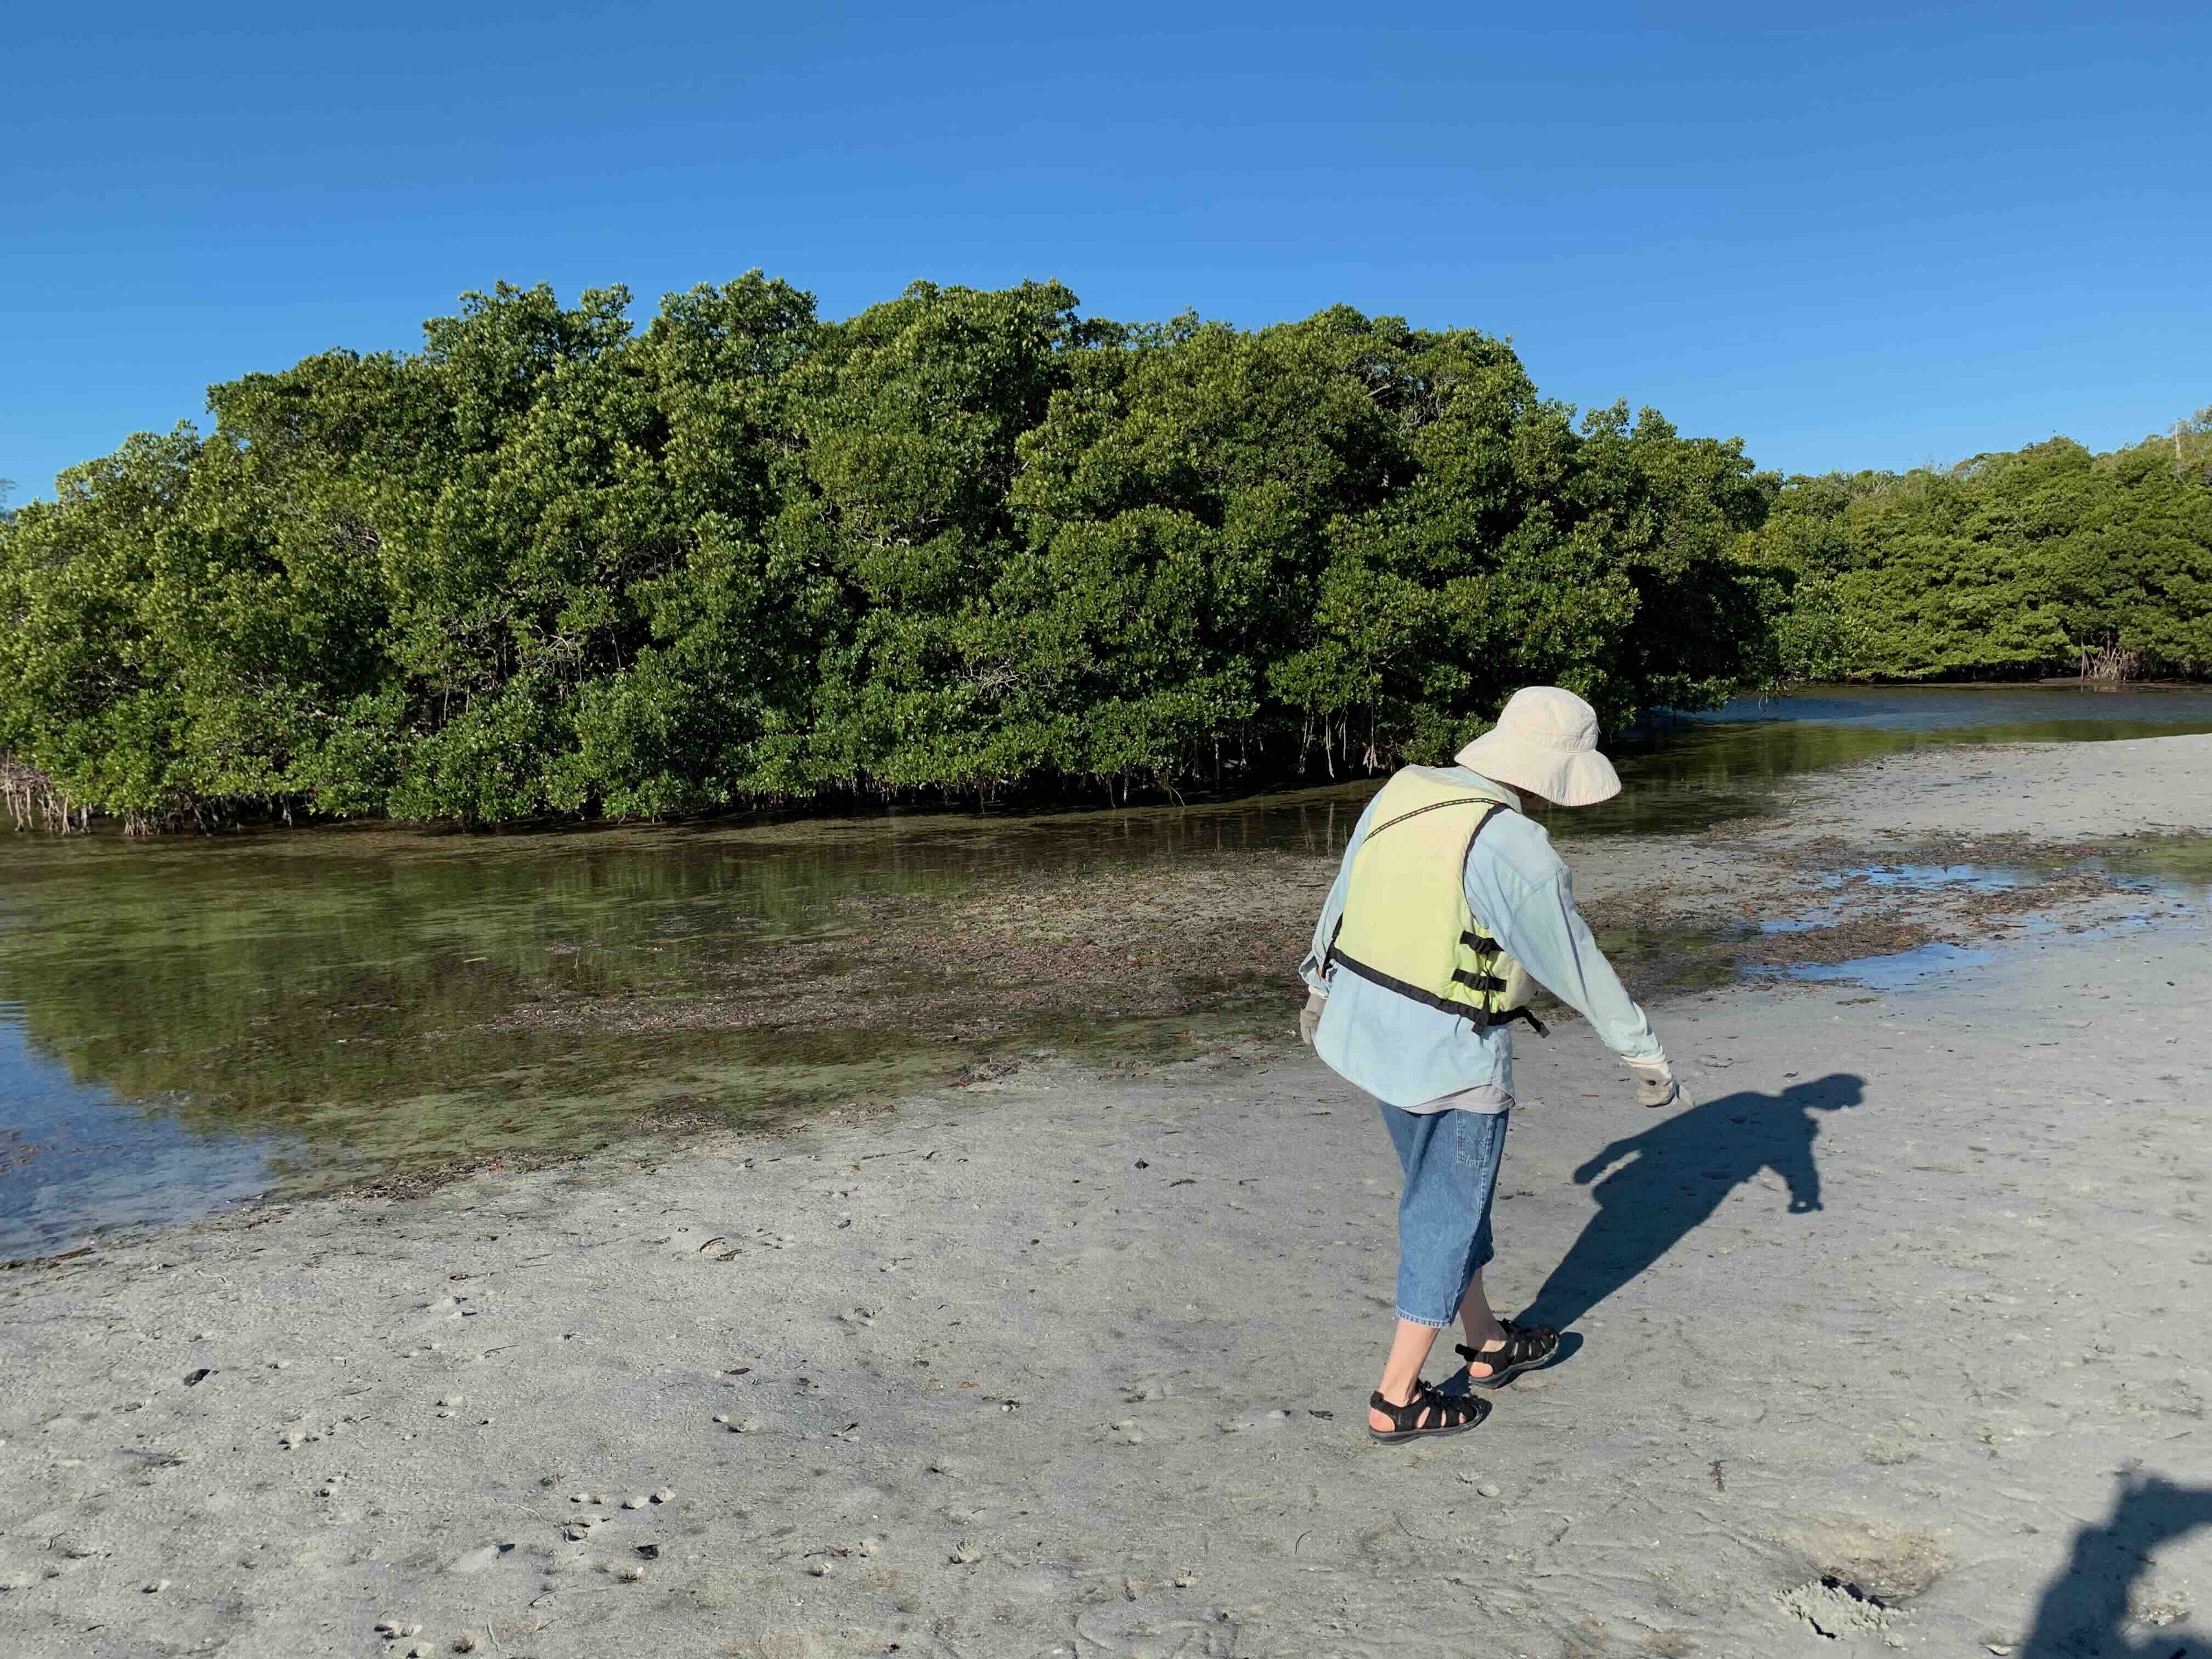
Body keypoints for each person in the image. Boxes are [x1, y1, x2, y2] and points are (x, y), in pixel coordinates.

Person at [1297, 686, 1689, 1444]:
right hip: (1451, 1059)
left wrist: (1317, 985)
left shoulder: (1405, 791)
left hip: (1367, 1034)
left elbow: (1341, 896)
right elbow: (1574, 961)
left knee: (1445, 1197)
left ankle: (1487, 1344)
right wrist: (1641, 1050)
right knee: (1445, 1212)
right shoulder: (1516, 846)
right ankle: (1396, 1397)